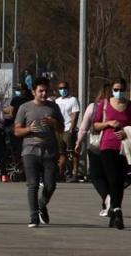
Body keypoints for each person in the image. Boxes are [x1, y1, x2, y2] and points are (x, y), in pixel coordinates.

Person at [14, 76, 64, 228]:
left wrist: (54, 122)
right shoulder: (25, 108)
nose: (44, 94)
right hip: (30, 151)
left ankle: (42, 204)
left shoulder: (53, 107)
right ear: (33, 92)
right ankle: (33, 216)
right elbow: (17, 131)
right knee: (33, 184)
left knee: (50, 185)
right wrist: (29, 129)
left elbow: (61, 129)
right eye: (40, 91)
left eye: (46, 91)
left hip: (49, 151)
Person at [92, 77, 130, 230]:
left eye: (121, 90)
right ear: (112, 90)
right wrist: (108, 123)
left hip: (125, 147)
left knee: (120, 181)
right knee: (112, 179)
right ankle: (117, 210)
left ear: (125, 90)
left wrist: (126, 132)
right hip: (107, 146)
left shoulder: (129, 106)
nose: (118, 92)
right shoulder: (105, 104)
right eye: (116, 90)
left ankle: (114, 211)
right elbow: (95, 125)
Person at [75, 83, 112, 217]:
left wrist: (78, 142)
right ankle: (107, 204)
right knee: (110, 176)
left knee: (96, 175)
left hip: (97, 145)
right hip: (115, 145)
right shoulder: (119, 106)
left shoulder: (93, 107)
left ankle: (108, 198)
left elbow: (84, 127)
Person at [55, 81, 81, 182]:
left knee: (73, 152)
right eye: (61, 88)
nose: (63, 90)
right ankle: (61, 173)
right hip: (59, 130)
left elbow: (75, 115)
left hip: (69, 129)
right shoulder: (57, 101)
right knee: (61, 153)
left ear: (68, 89)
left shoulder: (73, 100)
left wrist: (72, 129)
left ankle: (75, 173)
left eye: (65, 88)